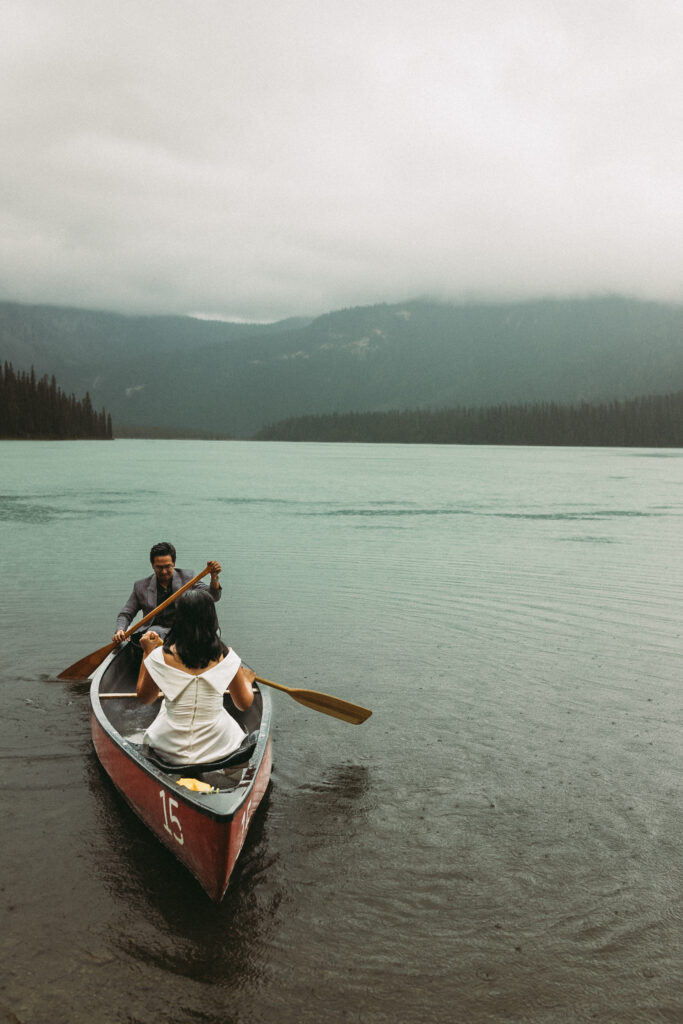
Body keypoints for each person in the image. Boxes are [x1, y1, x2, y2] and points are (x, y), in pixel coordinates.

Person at [136, 588, 255, 765]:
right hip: (219, 747)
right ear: (211, 618)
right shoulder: (227, 657)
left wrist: (147, 653)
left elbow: (146, 698)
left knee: (162, 709)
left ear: (179, 619)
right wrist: (246, 681)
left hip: (169, 749)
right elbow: (243, 703)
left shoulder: (159, 656)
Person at [112, 541, 222, 643]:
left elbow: (213, 597)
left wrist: (214, 577)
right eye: (159, 567)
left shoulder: (188, 578)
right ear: (152, 566)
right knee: (153, 633)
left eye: (167, 566)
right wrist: (120, 630)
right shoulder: (141, 586)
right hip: (155, 633)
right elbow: (126, 613)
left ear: (174, 563)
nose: (164, 572)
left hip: (184, 629)